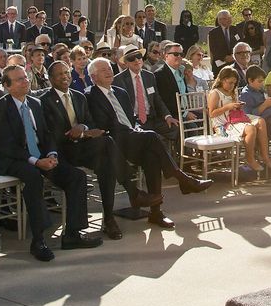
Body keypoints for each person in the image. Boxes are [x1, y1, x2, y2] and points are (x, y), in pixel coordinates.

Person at [0, 63, 102, 260]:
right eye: (19, 79)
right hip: (12, 159)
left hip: (40, 155)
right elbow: (5, 145)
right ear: (7, 85)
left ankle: (73, 233)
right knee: (33, 177)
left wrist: (52, 155)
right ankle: (38, 239)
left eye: (25, 77)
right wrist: (35, 161)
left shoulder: (35, 103)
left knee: (77, 177)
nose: (25, 82)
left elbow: (46, 135)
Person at [84, 57, 212, 229]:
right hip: (113, 142)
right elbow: (103, 123)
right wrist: (134, 131)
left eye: (109, 68)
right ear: (93, 77)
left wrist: (136, 128)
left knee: (152, 157)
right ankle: (182, 178)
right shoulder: (90, 95)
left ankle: (156, 213)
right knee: (151, 136)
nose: (108, 72)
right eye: (103, 70)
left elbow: (132, 118)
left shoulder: (120, 92)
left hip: (132, 138)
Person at [37, 60, 122, 240]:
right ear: (51, 79)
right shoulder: (44, 101)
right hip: (62, 151)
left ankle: (109, 218)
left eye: (67, 73)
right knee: (107, 148)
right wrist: (79, 134)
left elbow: (90, 122)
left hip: (82, 149)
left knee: (106, 162)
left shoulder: (79, 96)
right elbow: (52, 134)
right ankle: (127, 180)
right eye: (59, 74)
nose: (65, 77)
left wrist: (83, 127)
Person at [207, 67, 268, 174]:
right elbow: (211, 113)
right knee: (251, 129)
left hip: (235, 118)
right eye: (230, 82)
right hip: (223, 124)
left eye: (234, 83)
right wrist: (228, 107)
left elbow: (233, 108)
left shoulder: (232, 90)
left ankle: (264, 155)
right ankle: (250, 158)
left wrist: (237, 105)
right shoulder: (215, 93)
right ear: (222, 79)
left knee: (260, 121)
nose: (232, 86)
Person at [113, 46, 177, 140]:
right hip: (134, 121)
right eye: (131, 58)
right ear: (126, 63)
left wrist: (167, 116)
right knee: (151, 137)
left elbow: (157, 99)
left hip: (151, 118)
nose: (136, 60)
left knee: (175, 128)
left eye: (138, 56)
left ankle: (174, 154)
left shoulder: (149, 76)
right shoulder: (118, 80)